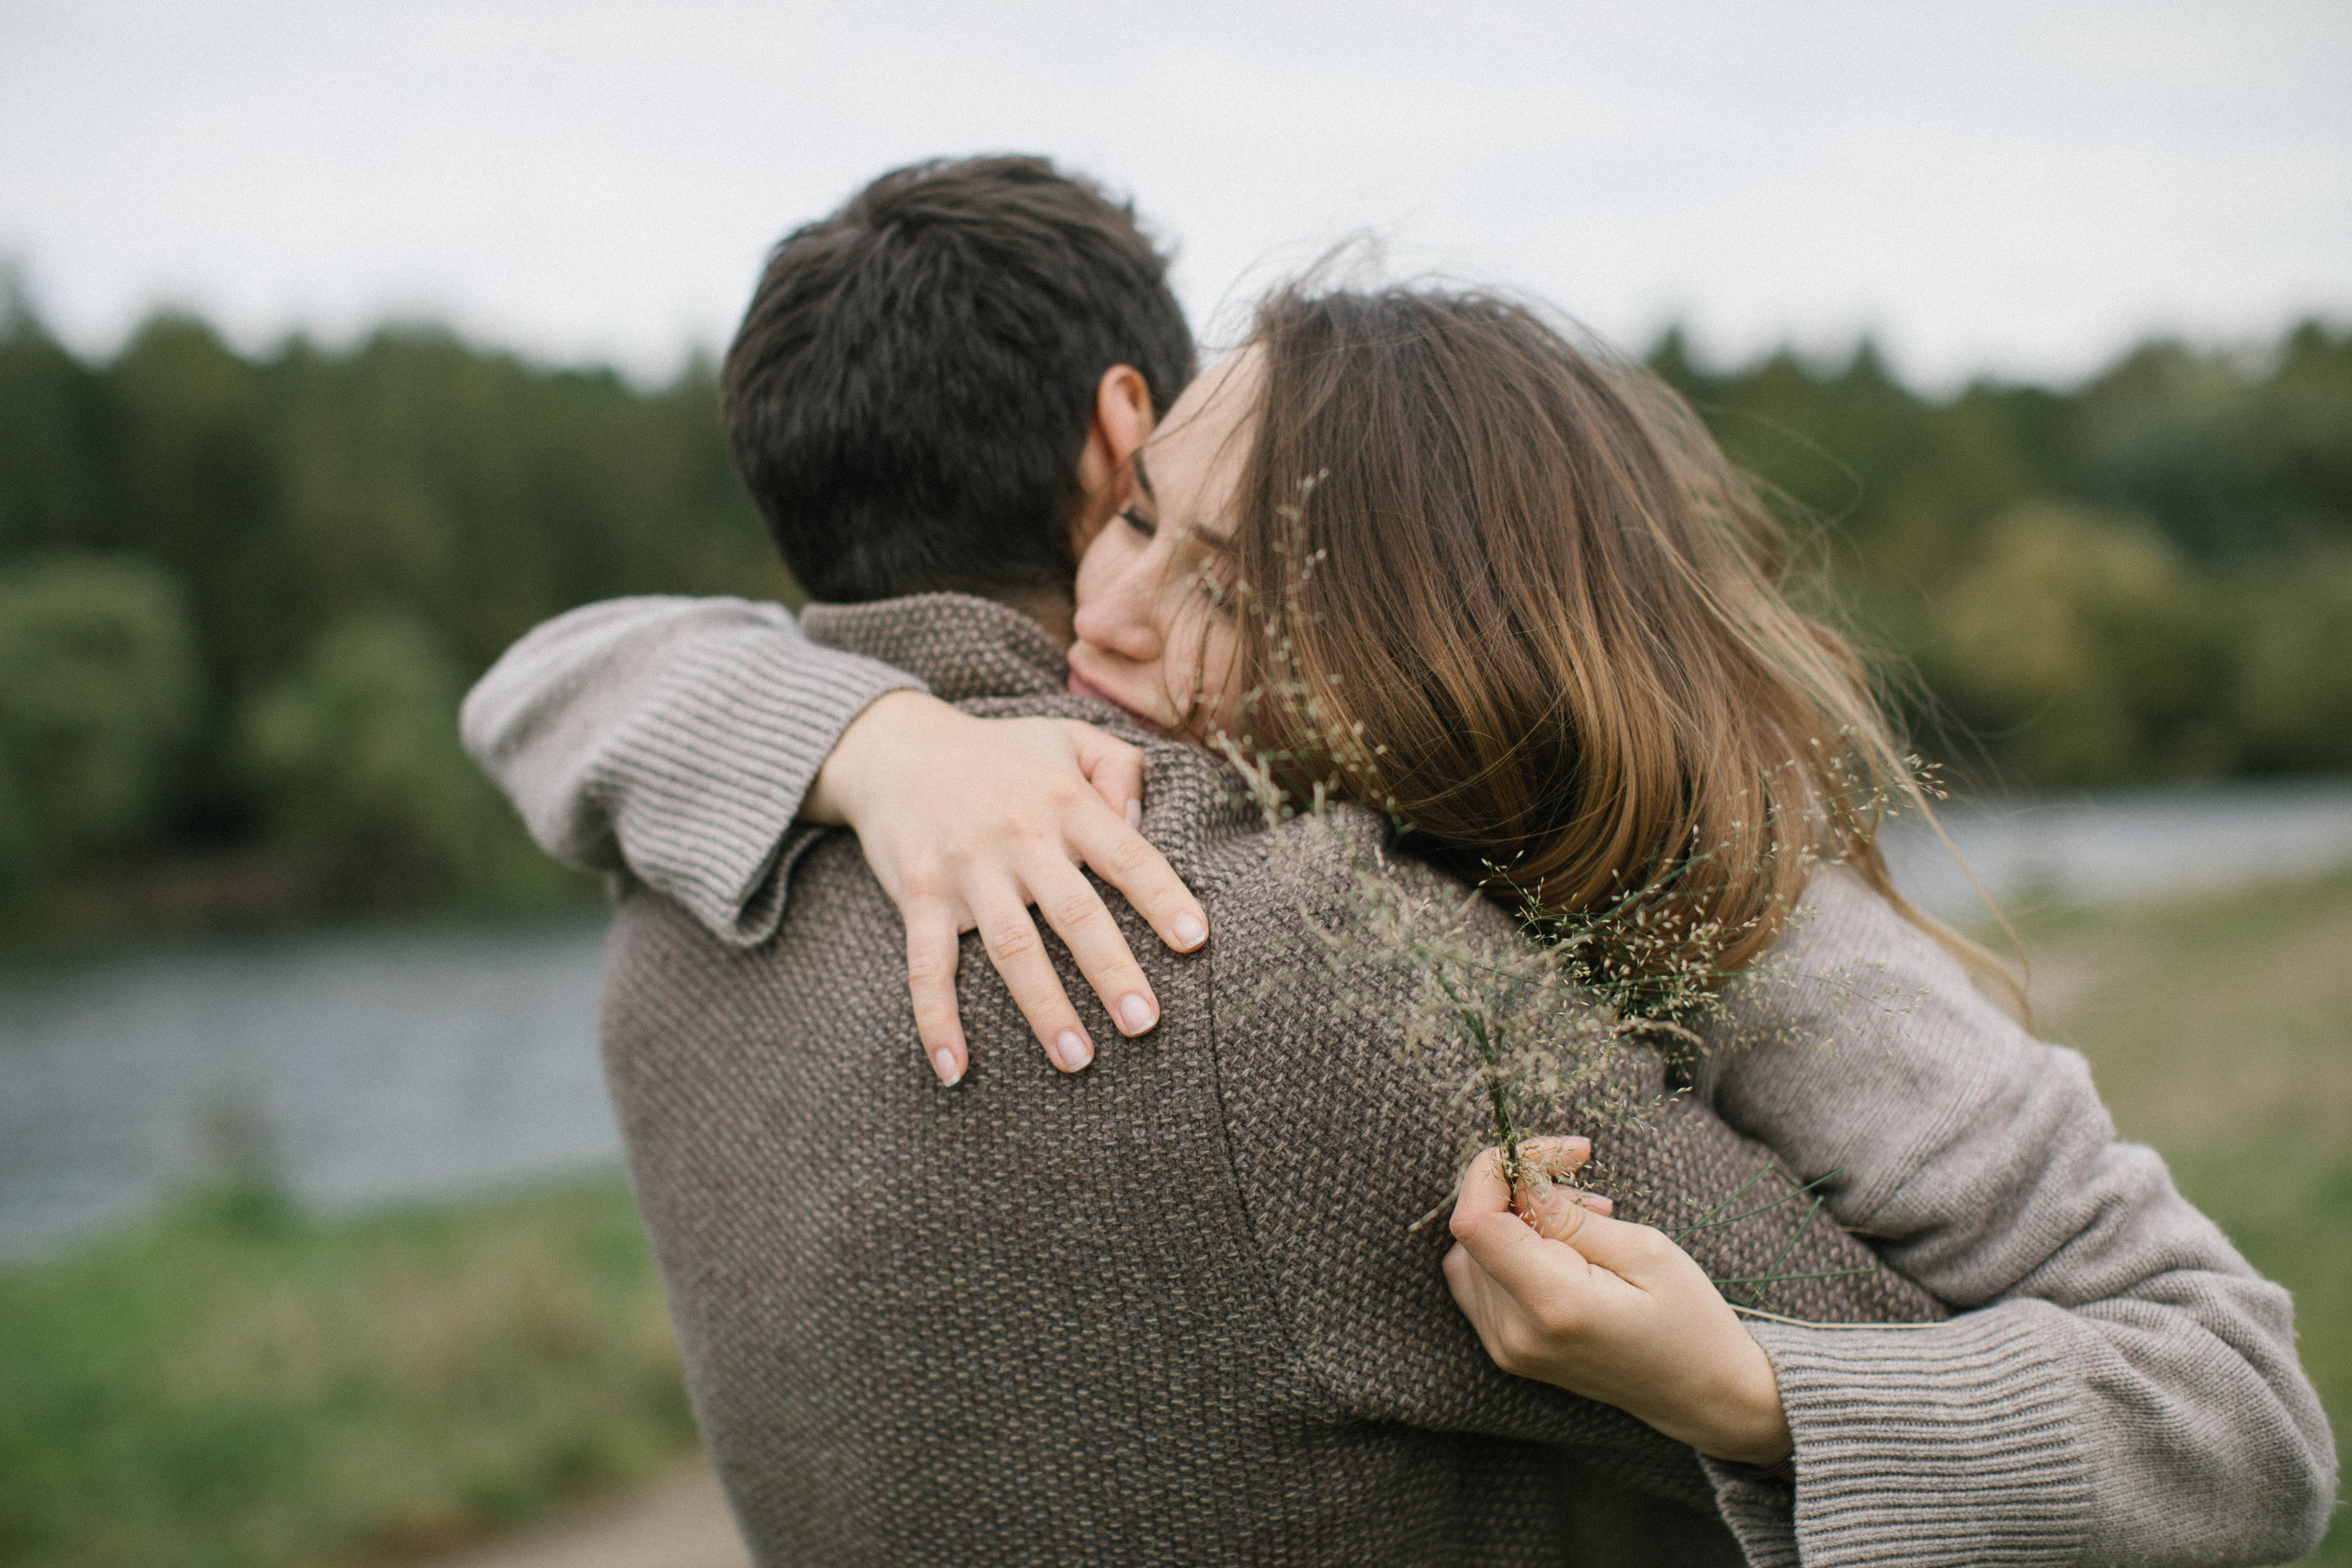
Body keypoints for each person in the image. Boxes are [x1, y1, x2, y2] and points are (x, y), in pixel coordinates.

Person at [465, 156, 1960, 1565]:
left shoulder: (668, 888)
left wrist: (875, 741)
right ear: (1130, 424)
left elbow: (567, 681)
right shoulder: (1293, 946)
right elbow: (1919, 1381)